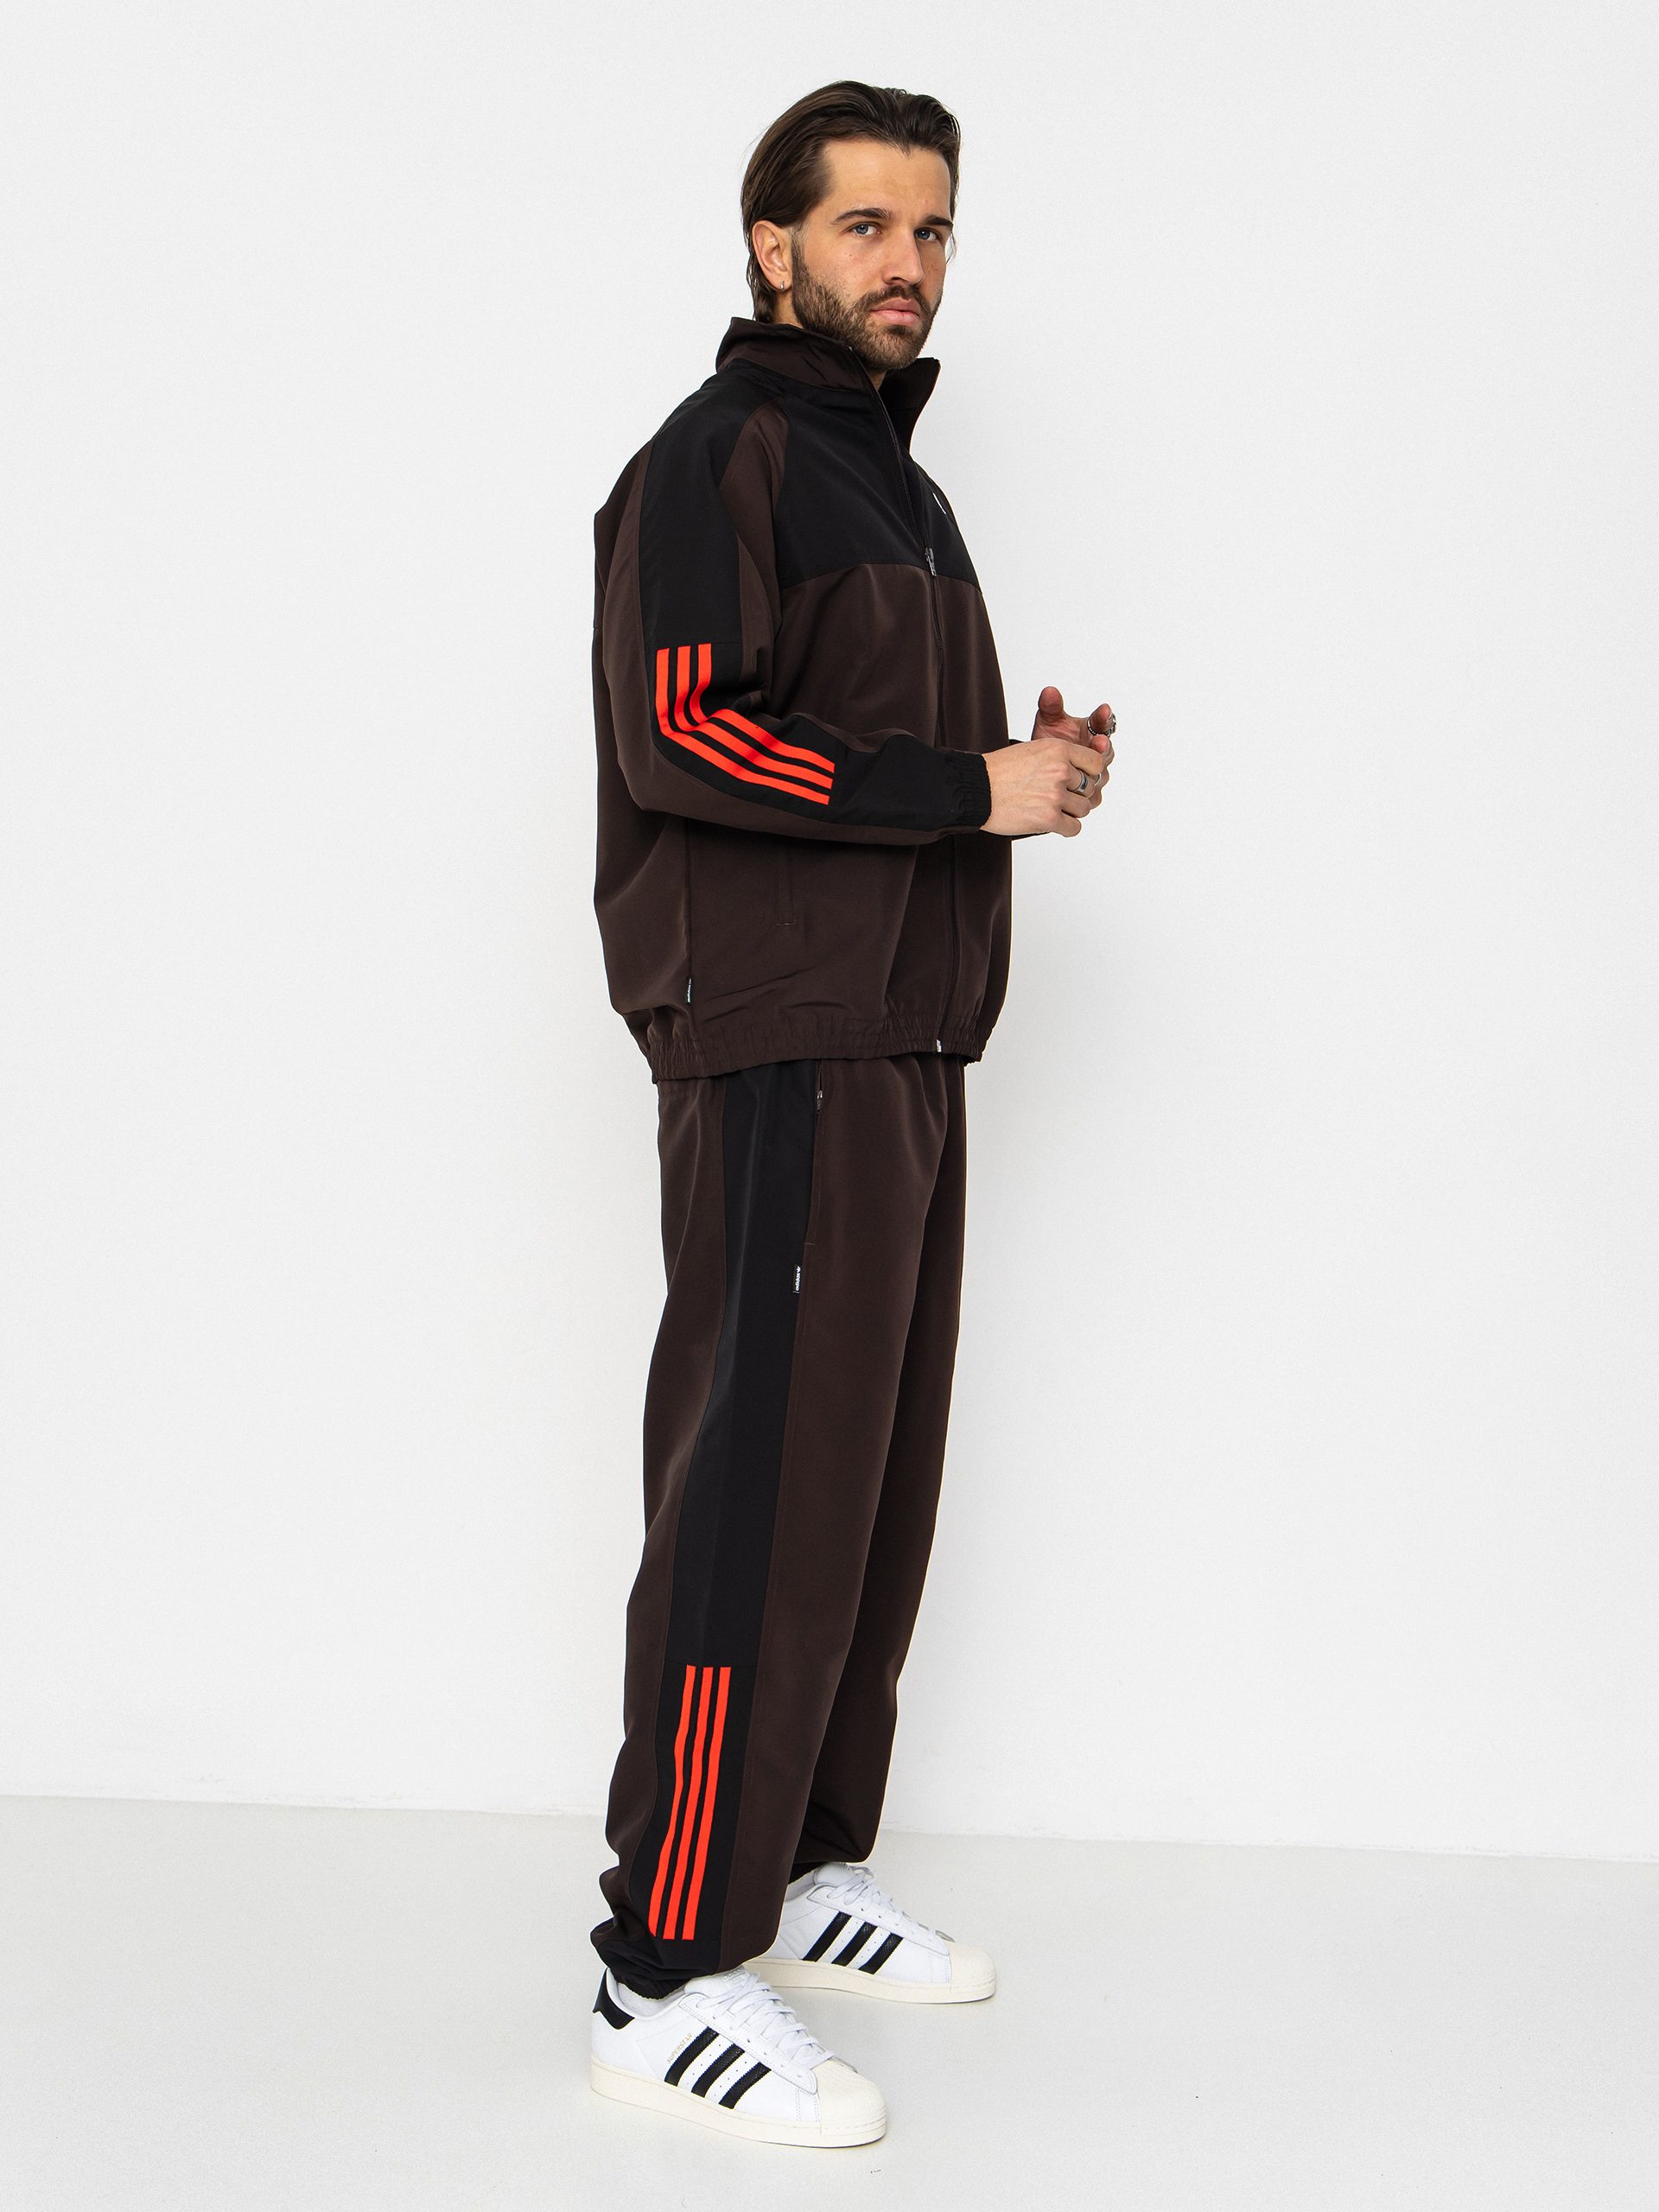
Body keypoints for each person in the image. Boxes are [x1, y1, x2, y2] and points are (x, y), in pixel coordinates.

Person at [585, 79, 1114, 2148]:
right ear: (772, 244)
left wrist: (1020, 773)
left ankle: (799, 1866)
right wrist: (964, 787)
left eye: (934, 228)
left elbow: (868, 748)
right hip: (780, 1037)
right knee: (754, 1505)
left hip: (901, 1035)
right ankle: (659, 1964)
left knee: (868, 1491)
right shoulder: (714, 456)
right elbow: (685, 728)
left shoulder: (894, 483)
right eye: (867, 225)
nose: (908, 262)